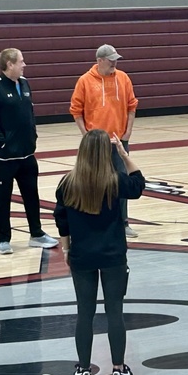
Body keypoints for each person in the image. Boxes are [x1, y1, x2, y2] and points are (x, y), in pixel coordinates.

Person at [54, 129, 145, 375]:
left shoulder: (67, 183)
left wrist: (67, 250)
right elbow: (139, 184)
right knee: (115, 311)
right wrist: (123, 154)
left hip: (82, 256)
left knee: (85, 313)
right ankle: (118, 369)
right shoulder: (115, 181)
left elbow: (62, 222)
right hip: (113, 256)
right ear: (107, 153)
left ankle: (83, 371)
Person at [0, 48, 58, 255]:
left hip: (27, 154)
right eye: (21, 61)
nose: (24, 65)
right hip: (4, 157)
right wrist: (3, 143)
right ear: (10, 64)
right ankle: (3, 239)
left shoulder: (24, 83)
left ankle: (36, 234)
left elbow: (29, 113)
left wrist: (32, 137)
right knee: (3, 198)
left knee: (32, 195)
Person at [69, 45, 139, 238]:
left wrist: (128, 132)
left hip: (119, 142)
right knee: (94, 181)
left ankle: (123, 222)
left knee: (121, 181)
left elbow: (132, 105)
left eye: (116, 59)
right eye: (111, 60)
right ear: (99, 60)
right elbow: (76, 110)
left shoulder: (123, 78)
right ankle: (95, 220)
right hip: (95, 143)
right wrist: (86, 135)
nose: (114, 63)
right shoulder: (85, 81)